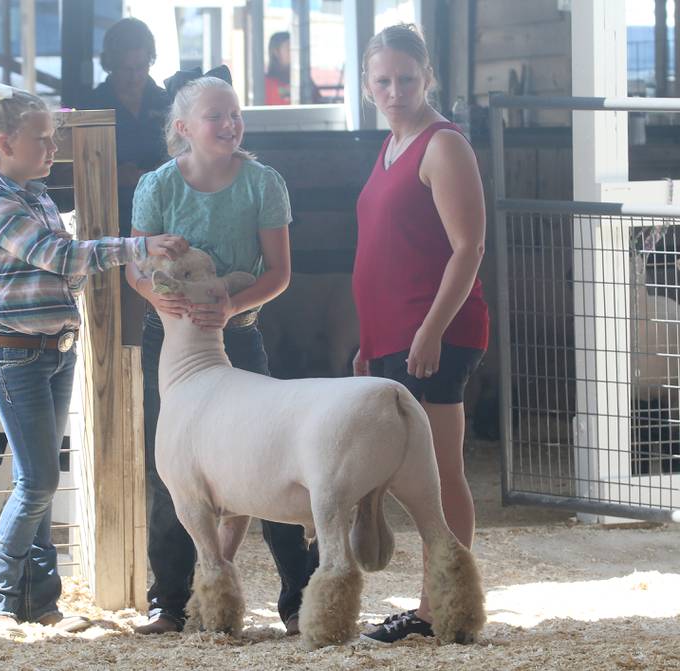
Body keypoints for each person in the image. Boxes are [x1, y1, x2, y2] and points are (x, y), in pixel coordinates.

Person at [0, 84, 186, 631]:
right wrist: (137, 246)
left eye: (53, 138)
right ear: (5, 141)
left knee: (32, 478)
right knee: (38, 482)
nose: (51, 148)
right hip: (16, 355)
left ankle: (39, 601)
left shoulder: (33, 195)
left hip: (51, 349)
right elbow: (59, 257)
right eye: (42, 139)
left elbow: (68, 265)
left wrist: (84, 259)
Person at [126, 67, 318, 636]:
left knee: (267, 454)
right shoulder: (158, 185)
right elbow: (139, 269)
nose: (230, 124)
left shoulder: (263, 183)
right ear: (184, 127)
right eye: (217, 116)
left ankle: (298, 599)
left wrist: (231, 310)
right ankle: (171, 601)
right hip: (173, 345)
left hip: (237, 335)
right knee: (170, 472)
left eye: (235, 114)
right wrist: (165, 304)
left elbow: (279, 272)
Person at [352, 24, 489, 644]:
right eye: (383, 80)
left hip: (435, 331)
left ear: (428, 78)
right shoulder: (390, 146)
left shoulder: (443, 146)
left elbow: (468, 247)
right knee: (416, 475)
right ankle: (438, 603)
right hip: (393, 332)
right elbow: (385, 252)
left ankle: (446, 608)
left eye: (407, 78)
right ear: (366, 84)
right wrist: (368, 337)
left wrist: (432, 330)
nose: (395, 89)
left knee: (440, 472)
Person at [83, 17, 170, 236]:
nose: (134, 77)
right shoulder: (91, 105)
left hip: (163, 208)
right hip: (108, 212)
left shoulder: (167, 101)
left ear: (151, 60)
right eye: (125, 69)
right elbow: (78, 168)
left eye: (141, 67)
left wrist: (155, 174)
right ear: (110, 65)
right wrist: (112, 174)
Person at [264, 32, 291, 105]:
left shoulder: (304, 80)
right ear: (276, 52)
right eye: (289, 48)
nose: (293, 53)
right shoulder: (266, 84)